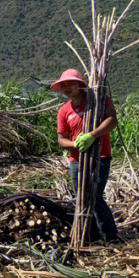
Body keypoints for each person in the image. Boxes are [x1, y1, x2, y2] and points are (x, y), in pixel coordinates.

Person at [52, 68, 119, 243]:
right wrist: (74, 144)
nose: (67, 87)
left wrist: (92, 135)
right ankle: (91, 236)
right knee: (81, 197)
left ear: (80, 85)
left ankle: (110, 237)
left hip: (100, 156)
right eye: (63, 85)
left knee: (95, 196)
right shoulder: (64, 111)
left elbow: (112, 121)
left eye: (70, 83)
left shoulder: (98, 102)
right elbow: (61, 140)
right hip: (76, 160)